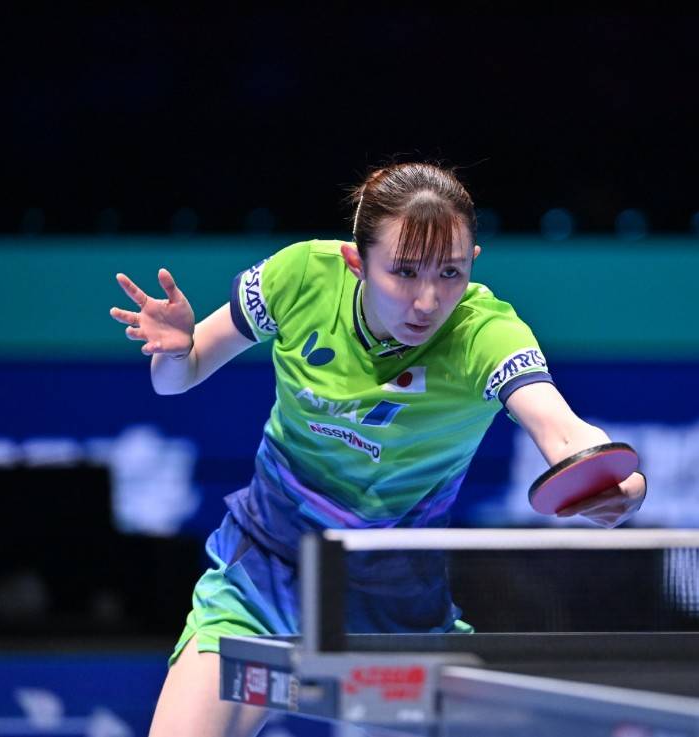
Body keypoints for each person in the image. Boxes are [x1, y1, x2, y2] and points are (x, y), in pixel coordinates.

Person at [110, 162, 647, 737]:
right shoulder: (300, 278)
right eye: (404, 272)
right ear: (355, 261)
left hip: (395, 609)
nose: (427, 300)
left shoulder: (485, 334)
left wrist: (623, 483)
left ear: (473, 262)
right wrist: (175, 351)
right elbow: (182, 374)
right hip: (261, 579)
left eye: (450, 272)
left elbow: (563, 431)